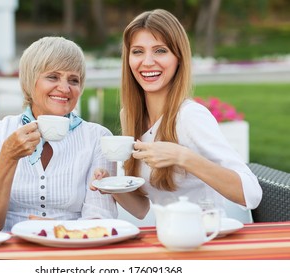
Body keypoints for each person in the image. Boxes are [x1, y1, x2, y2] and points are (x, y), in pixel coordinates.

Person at [92, 9, 262, 220]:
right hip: (169, 237)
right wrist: (109, 186)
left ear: (179, 58)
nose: (147, 62)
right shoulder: (130, 115)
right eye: (137, 52)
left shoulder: (190, 117)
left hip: (208, 237)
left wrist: (182, 157)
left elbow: (251, 194)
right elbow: (141, 208)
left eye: (160, 51)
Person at [0, 36, 117, 232]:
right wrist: (8, 156)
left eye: (74, 80)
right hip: (11, 252)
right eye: (53, 77)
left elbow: (100, 220)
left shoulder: (98, 138)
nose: (64, 88)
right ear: (30, 81)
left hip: (72, 251)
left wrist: (57, 229)